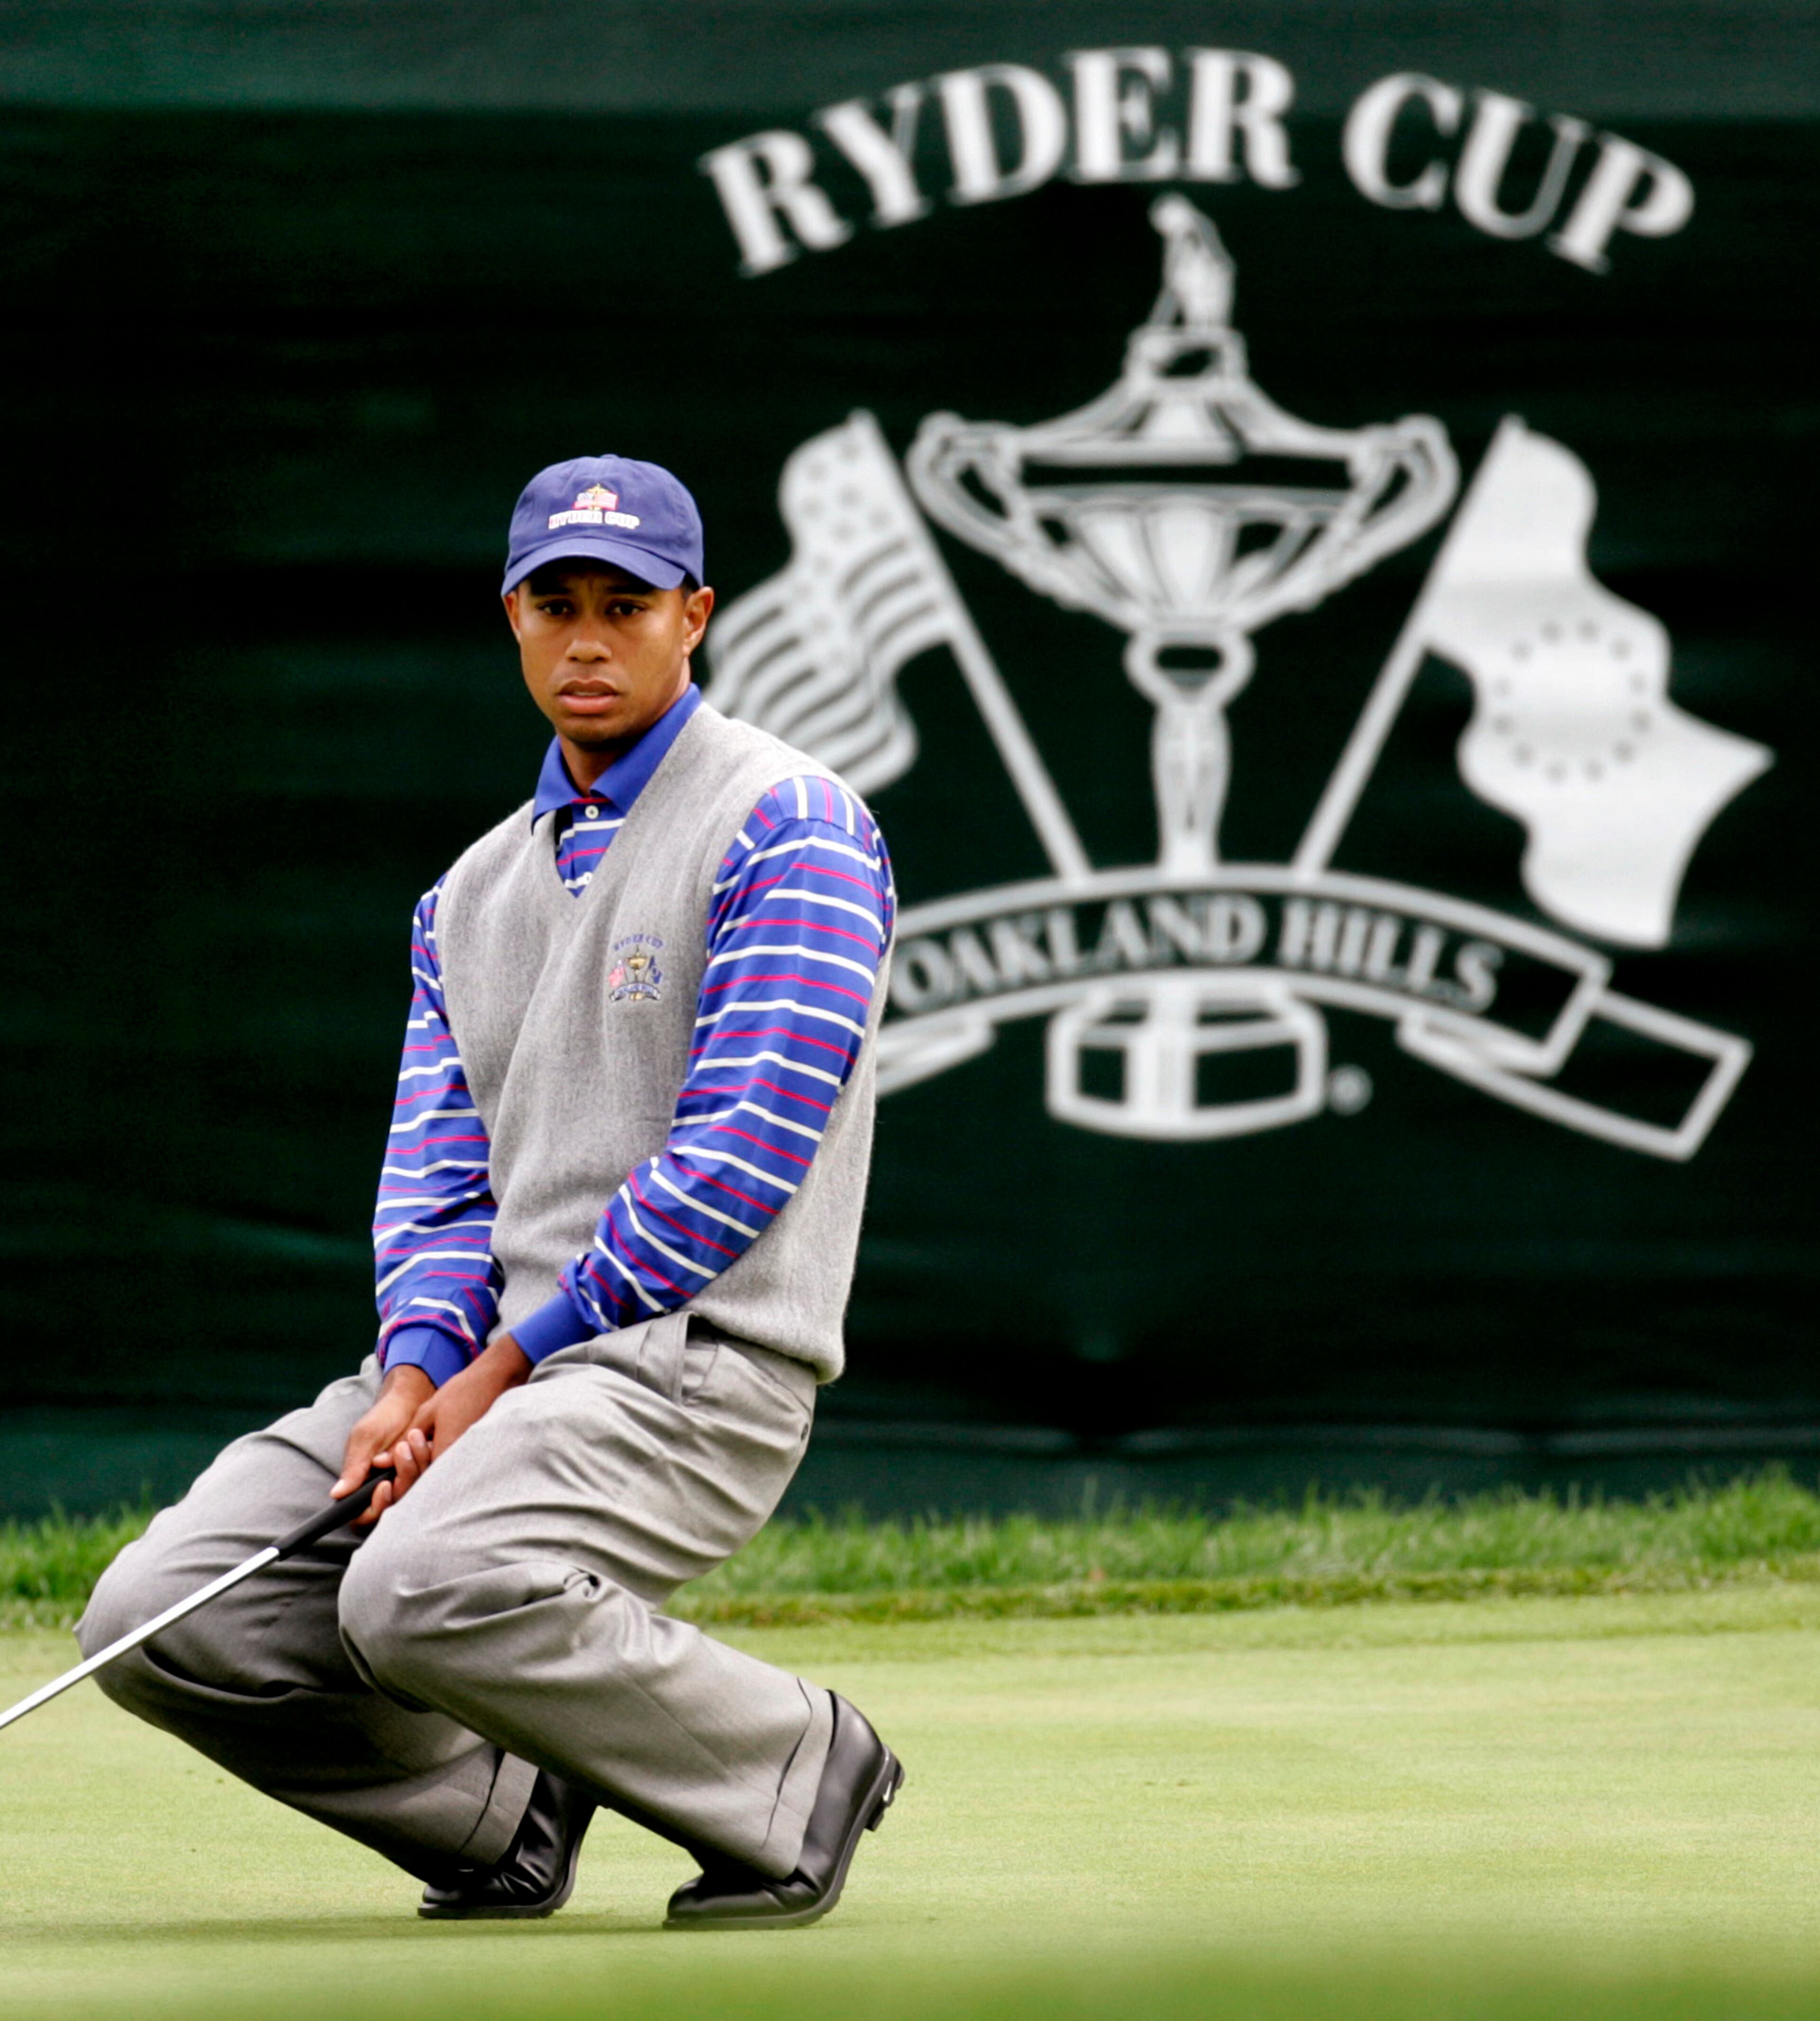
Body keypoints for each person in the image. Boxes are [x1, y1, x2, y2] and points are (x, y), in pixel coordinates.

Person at [77, 453, 903, 1929]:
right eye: (555, 604)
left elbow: (739, 1159)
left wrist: (506, 1363)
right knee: (158, 1615)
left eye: (627, 604)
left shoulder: (795, 826)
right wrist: (416, 1374)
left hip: (697, 1373)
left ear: (694, 615)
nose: (589, 638)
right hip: (501, 1372)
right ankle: (496, 1806)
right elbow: (440, 1188)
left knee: (412, 1584)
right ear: (511, 618)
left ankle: (790, 1767)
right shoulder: (464, 896)